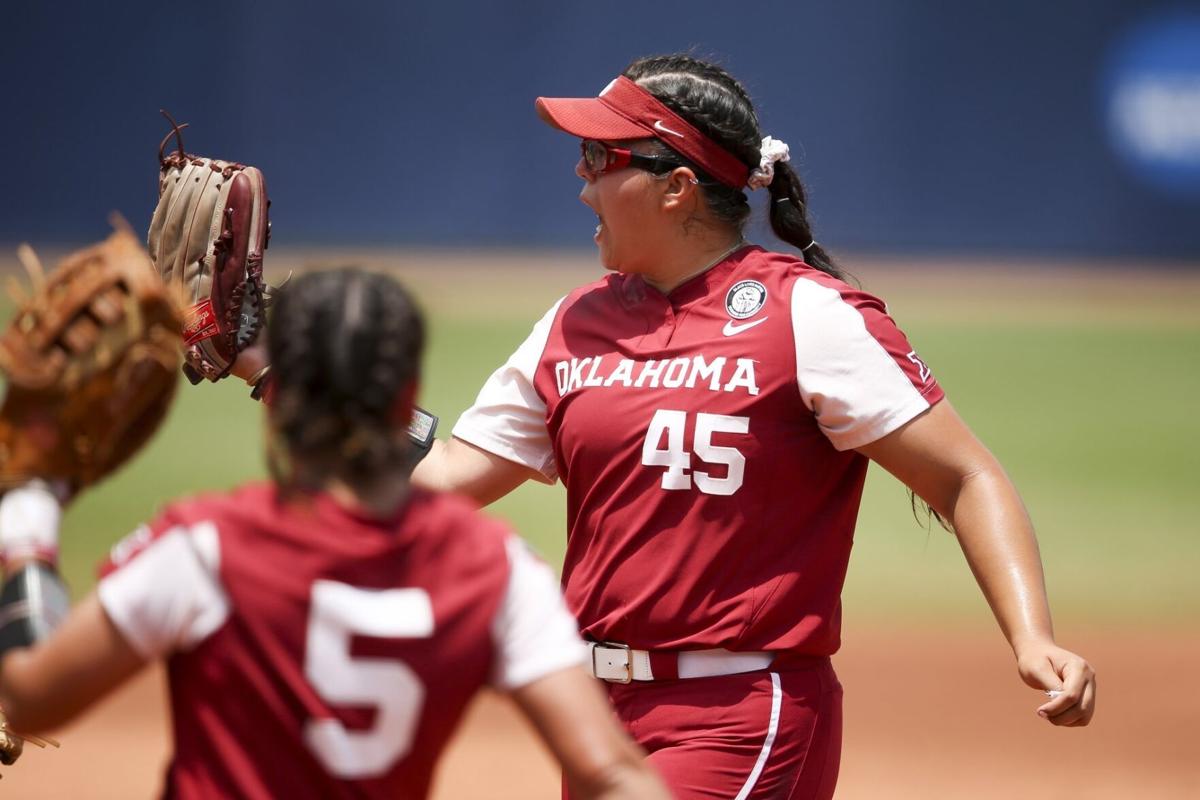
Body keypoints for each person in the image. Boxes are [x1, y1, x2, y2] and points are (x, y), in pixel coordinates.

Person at [410, 54, 1097, 799]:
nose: (581, 182)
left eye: (599, 158)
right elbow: (442, 479)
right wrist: (281, 372)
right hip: (603, 713)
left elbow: (964, 475)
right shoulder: (575, 323)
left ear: (676, 188)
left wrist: (1031, 636)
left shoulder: (806, 316)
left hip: (740, 714)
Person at [0, 268, 671, 800]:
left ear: (279, 403)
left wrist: (28, 510)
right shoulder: (493, 570)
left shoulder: (206, 546)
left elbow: (32, 694)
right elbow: (612, 774)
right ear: (409, 401)